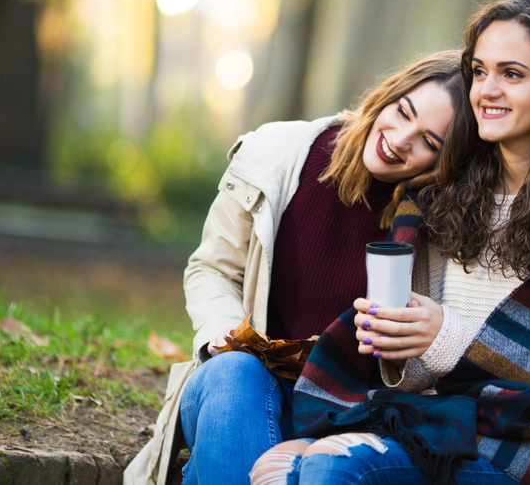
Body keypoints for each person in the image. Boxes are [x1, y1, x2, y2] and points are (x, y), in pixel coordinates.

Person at [252, 0, 530, 485]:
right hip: (432, 427)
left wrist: (445, 336)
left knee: (331, 468)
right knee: (290, 463)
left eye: (512, 74)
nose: (486, 91)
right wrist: (399, 344)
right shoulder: (443, 200)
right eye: (478, 71)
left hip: (529, 460)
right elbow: (418, 375)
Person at [124, 51, 476, 485]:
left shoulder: (441, 222)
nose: (400, 138)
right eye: (402, 112)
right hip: (245, 386)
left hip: (347, 412)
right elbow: (211, 268)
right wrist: (224, 331)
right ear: (388, 96)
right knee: (234, 373)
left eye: (429, 142)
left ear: (447, 163)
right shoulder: (275, 153)